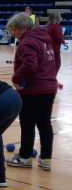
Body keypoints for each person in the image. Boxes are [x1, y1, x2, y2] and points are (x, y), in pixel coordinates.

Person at [5, 13, 58, 171]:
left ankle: (25, 156)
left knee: (27, 123)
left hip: (34, 89)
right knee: (44, 123)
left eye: (13, 30)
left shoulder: (27, 41)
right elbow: (56, 61)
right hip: (49, 86)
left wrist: (16, 78)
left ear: (22, 27)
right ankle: (46, 159)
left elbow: (30, 65)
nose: (13, 34)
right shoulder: (45, 39)